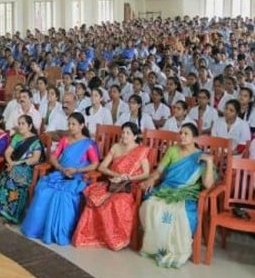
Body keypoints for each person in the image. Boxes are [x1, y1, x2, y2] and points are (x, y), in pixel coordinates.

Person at [139, 123, 215, 268]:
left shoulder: (200, 156)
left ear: (195, 137)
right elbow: (159, 171)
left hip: (186, 194)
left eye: (186, 133)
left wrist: (209, 162)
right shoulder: (172, 150)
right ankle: (154, 247)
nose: (182, 136)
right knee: (150, 205)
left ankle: (174, 250)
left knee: (179, 213)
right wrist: (150, 179)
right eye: (181, 133)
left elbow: (208, 185)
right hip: (166, 189)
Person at [21, 112, 100, 245]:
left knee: (63, 196)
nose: (70, 127)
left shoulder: (88, 144)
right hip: (61, 173)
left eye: (74, 124)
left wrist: (77, 170)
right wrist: (60, 168)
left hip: (77, 177)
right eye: (69, 124)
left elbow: (95, 164)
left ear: (82, 125)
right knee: (43, 189)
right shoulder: (65, 140)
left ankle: (58, 233)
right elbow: (53, 156)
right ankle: (38, 230)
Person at [72, 122, 150, 250]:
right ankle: (97, 236)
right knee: (95, 198)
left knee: (117, 202)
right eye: (123, 132)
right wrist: (116, 175)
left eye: (128, 133)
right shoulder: (116, 147)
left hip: (129, 186)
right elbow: (102, 167)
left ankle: (115, 239)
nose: (124, 135)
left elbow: (146, 174)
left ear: (135, 136)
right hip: (113, 183)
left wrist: (128, 177)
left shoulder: (140, 151)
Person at [0, 115, 44, 223]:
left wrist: (16, 163)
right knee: (5, 177)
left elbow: (35, 159)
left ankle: (11, 215)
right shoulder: (17, 137)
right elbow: (7, 152)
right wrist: (10, 162)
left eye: (23, 124)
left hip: (27, 170)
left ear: (30, 126)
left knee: (13, 179)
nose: (20, 126)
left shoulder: (35, 141)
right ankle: (0, 208)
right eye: (19, 123)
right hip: (13, 166)